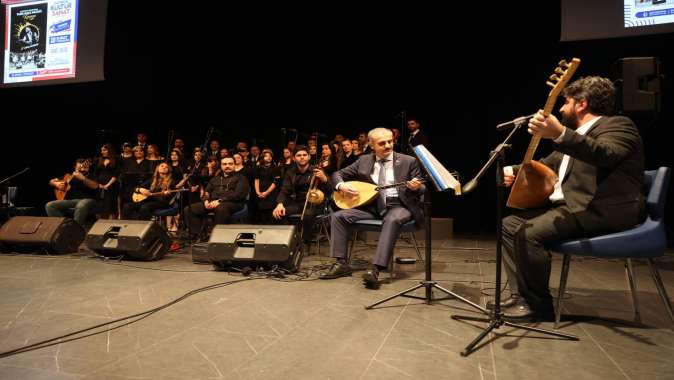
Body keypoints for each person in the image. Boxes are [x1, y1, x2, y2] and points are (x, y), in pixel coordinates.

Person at [496, 76, 645, 321]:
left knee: (529, 233)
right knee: (510, 225)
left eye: (565, 102)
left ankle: (538, 306)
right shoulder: (576, 137)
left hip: (604, 209)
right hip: (577, 207)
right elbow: (545, 165)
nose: (562, 109)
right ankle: (521, 296)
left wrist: (561, 133)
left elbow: (605, 154)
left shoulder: (618, 126)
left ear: (582, 104)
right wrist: (509, 171)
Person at [320, 128, 425, 288]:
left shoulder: (408, 161)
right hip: (372, 206)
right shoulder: (363, 161)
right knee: (338, 216)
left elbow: (423, 188)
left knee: (392, 219)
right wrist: (341, 186)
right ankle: (341, 263)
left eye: (390, 141)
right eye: (382, 143)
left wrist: (416, 187)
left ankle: (376, 269)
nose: (388, 145)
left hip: (399, 205)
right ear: (371, 145)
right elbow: (337, 175)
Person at [272, 145, 331, 240]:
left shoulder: (317, 170)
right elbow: (284, 190)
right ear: (294, 158)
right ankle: (289, 240)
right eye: (299, 155)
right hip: (298, 203)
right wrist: (280, 204)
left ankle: (305, 242)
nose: (302, 157)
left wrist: (324, 179)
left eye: (304, 155)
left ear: (309, 157)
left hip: (316, 204)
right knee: (279, 213)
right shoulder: (290, 173)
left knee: (308, 214)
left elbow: (330, 190)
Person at [184, 157, 249, 238]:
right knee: (189, 209)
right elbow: (206, 192)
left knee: (221, 208)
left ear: (234, 165)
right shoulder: (215, 179)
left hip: (233, 203)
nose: (227, 166)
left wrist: (220, 200)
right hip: (213, 202)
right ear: (221, 166)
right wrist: (206, 201)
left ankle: (219, 236)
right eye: (224, 164)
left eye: (230, 164)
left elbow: (239, 195)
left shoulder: (241, 178)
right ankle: (197, 234)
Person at [46, 159, 100, 227]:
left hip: (89, 200)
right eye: (80, 168)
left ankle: (75, 229)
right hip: (72, 201)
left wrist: (83, 178)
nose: (82, 169)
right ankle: (64, 227)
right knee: (50, 205)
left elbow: (95, 186)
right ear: (75, 168)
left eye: (84, 167)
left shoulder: (92, 175)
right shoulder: (68, 176)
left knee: (81, 204)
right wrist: (56, 184)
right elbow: (51, 181)